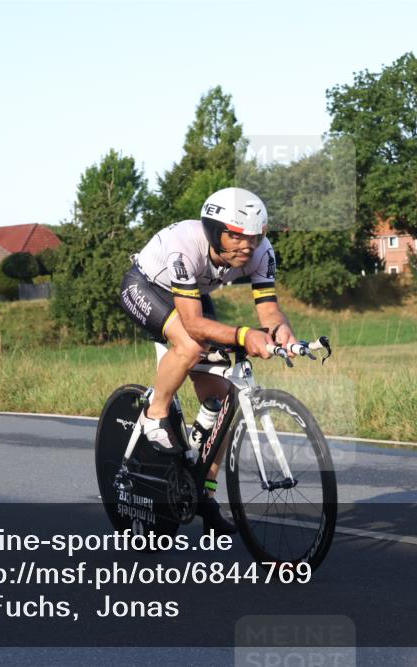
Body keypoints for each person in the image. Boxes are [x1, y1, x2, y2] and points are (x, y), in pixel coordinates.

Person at [119, 187, 298, 534]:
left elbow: (270, 309)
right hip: (147, 287)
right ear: (215, 231)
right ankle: (156, 414)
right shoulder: (186, 245)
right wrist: (246, 335)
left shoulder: (261, 253)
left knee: (224, 402)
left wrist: (282, 333)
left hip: (192, 295)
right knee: (189, 346)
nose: (247, 246)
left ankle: (204, 493)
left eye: (255, 237)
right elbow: (193, 324)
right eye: (237, 236)